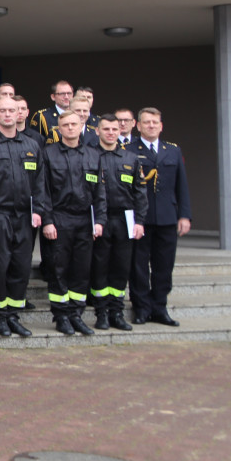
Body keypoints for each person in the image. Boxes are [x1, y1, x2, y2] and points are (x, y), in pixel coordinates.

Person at [0, 98, 46, 338]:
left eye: (12, 110)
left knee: (21, 267)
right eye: (2, 110)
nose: (7, 114)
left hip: (24, 217)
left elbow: (41, 184)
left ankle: (13, 314)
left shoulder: (32, 145)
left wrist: (39, 210)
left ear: (19, 113)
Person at [39, 109, 107, 336]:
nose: (70, 128)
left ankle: (76, 314)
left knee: (81, 270)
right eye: (65, 125)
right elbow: (43, 191)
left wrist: (99, 221)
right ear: (59, 128)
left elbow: (100, 192)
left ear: (81, 127)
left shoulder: (93, 155)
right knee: (59, 269)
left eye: (74, 124)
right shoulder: (48, 154)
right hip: (59, 218)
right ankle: (61, 316)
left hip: (84, 220)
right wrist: (47, 221)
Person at [130, 107, 191, 326]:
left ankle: (160, 307)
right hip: (141, 220)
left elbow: (181, 185)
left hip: (167, 217)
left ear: (161, 125)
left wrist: (184, 216)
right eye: (146, 122)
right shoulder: (129, 149)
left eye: (155, 122)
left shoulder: (172, 150)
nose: (151, 126)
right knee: (138, 266)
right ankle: (141, 308)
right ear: (138, 126)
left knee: (164, 266)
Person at [92, 113, 147, 331]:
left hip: (125, 220)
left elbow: (140, 193)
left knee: (121, 267)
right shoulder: (91, 157)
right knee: (99, 267)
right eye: (106, 129)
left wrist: (140, 221)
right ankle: (101, 313)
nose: (111, 132)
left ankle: (117, 312)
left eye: (115, 129)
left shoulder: (131, 159)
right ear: (98, 131)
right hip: (100, 220)